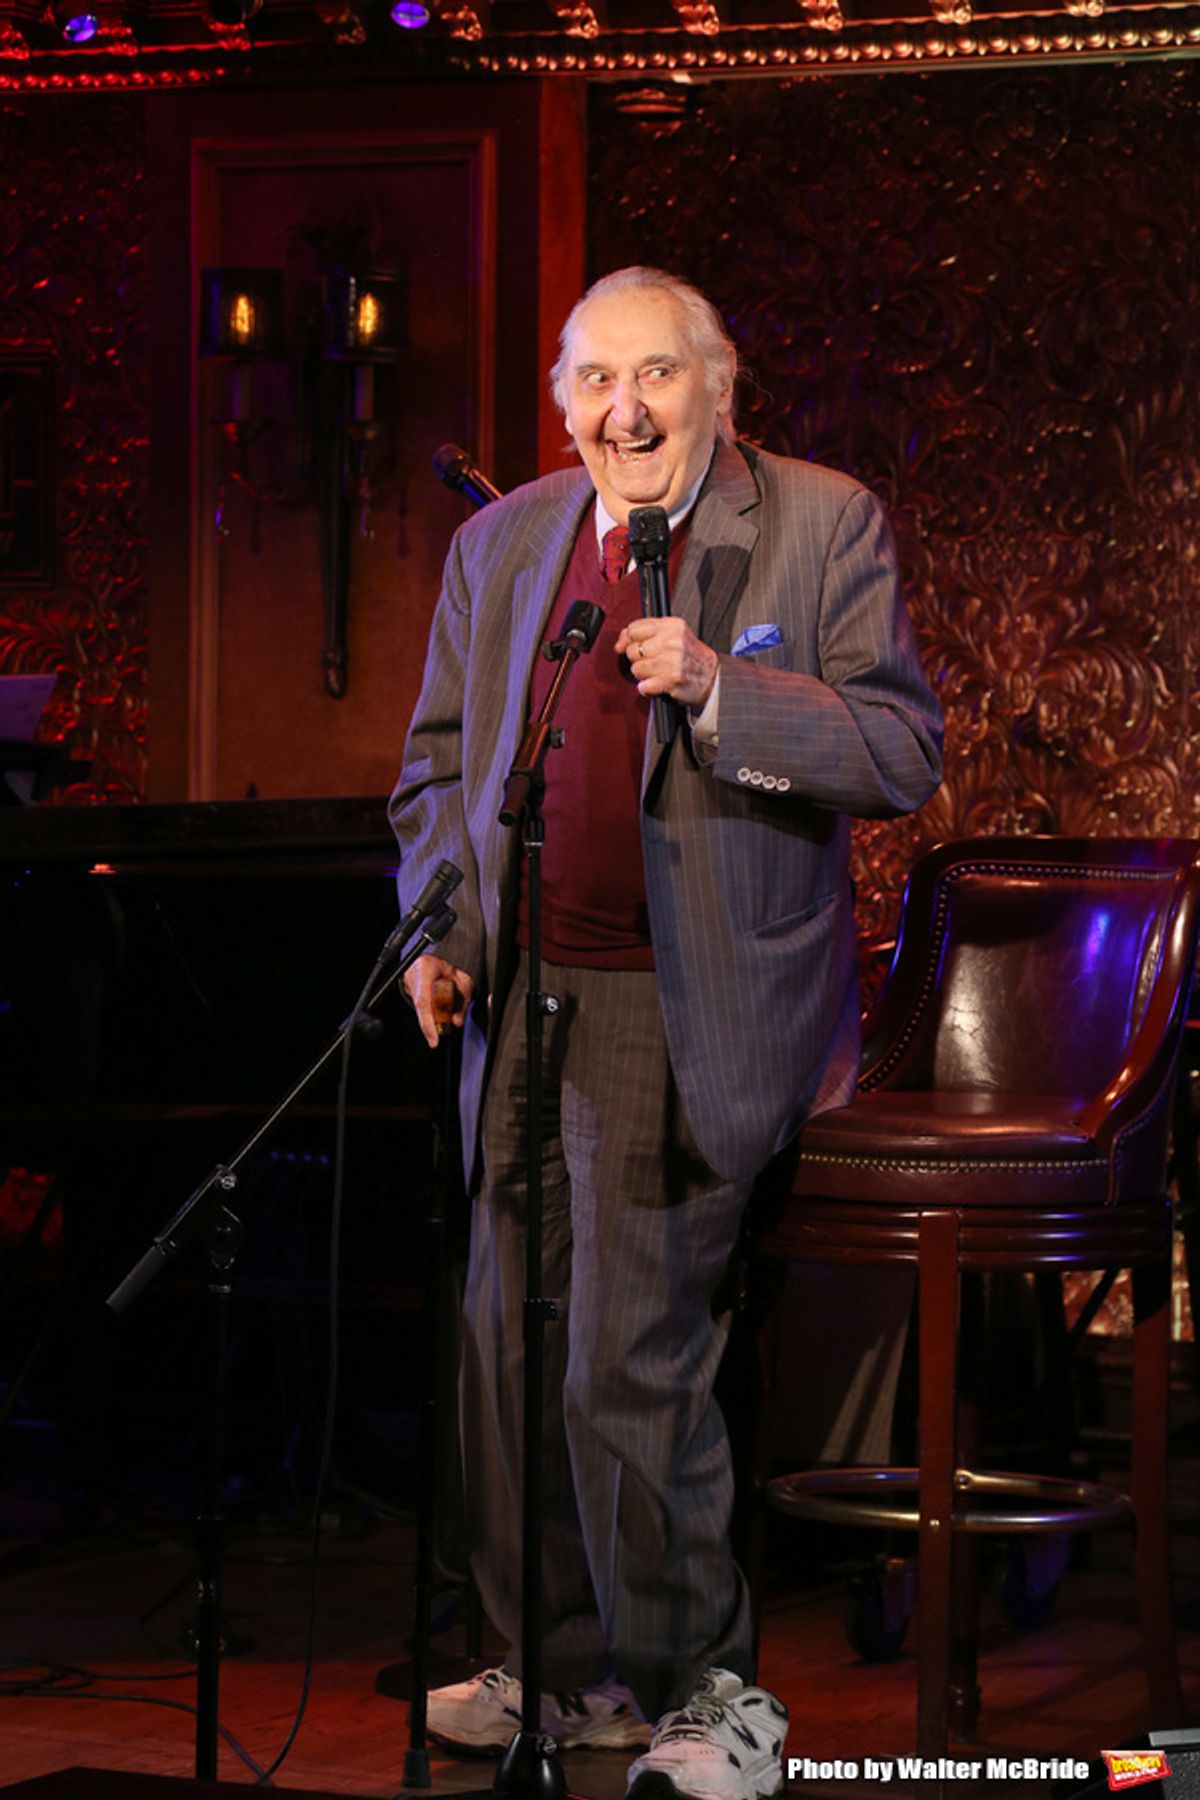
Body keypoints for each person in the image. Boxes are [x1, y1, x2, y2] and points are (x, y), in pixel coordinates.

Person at [388, 265, 943, 1800]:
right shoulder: (502, 544)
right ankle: (560, 1672)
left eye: (654, 377)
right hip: (515, 998)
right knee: (510, 1349)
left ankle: (709, 1688)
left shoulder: (817, 523)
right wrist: (439, 927)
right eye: (589, 381)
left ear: (718, 387)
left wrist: (720, 689)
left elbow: (902, 751)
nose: (620, 411)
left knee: (625, 1356)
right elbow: (438, 768)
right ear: (561, 398)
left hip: (680, 997)